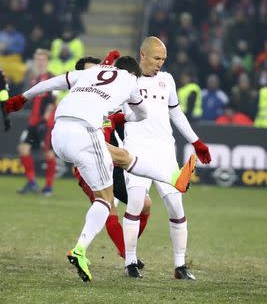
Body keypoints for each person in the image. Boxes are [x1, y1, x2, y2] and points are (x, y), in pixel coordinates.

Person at [5, 56, 196, 282]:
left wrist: (21, 98)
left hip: (59, 134)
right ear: (134, 74)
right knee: (108, 196)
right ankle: (172, 178)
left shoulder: (90, 73)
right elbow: (142, 114)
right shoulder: (130, 81)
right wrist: (127, 115)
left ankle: (86, 250)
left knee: (117, 165)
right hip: (84, 131)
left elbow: (51, 83)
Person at [120, 36, 211, 279]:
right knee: (136, 203)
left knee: (175, 205)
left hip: (164, 150)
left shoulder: (167, 80)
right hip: (137, 149)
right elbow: (120, 114)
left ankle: (180, 266)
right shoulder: (127, 80)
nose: (160, 63)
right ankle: (130, 262)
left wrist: (196, 141)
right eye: (156, 58)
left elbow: (176, 113)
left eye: (163, 59)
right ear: (142, 55)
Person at [72, 54, 151, 269]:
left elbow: (121, 114)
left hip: (110, 164)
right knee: (108, 208)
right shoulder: (74, 106)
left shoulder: (104, 104)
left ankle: (124, 247)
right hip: (88, 163)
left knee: (144, 205)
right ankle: (128, 257)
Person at [16, 49, 57, 196]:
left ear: (47, 61)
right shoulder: (34, 79)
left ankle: (48, 186)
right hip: (32, 122)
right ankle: (32, 182)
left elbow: (53, 99)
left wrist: (46, 117)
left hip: (44, 122)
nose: (40, 62)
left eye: (42, 59)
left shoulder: (51, 78)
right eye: (37, 59)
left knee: (48, 154)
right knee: (23, 149)